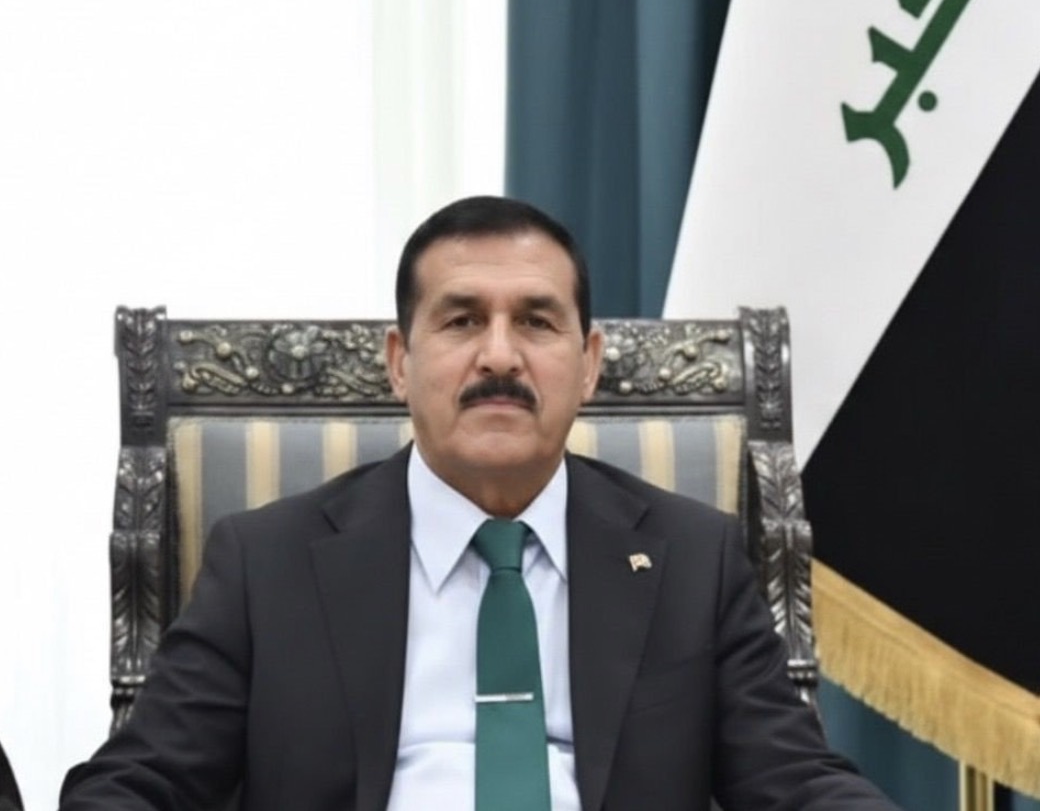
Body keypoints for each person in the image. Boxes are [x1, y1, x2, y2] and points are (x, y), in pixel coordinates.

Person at [60, 196, 900, 810]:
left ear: (589, 362)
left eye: (536, 321)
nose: (499, 356)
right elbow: (139, 782)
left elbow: (797, 783)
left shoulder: (692, 558)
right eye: (462, 320)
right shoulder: (266, 563)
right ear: (400, 360)